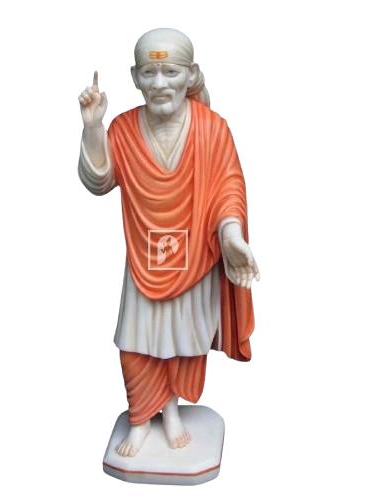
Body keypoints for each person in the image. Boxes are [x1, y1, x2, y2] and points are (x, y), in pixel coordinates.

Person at [78, 28, 260, 458]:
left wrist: (231, 235)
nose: (160, 83)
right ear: (134, 77)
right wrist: (93, 127)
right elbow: (100, 181)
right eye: (150, 73)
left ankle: (172, 411)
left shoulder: (212, 129)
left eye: (171, 72)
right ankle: (141, 416)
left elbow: (229, 187)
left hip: (194, 255)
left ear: (190, 74)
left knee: (181, 341)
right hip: (144, 257)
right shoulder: (124, 128)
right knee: (136, 343)